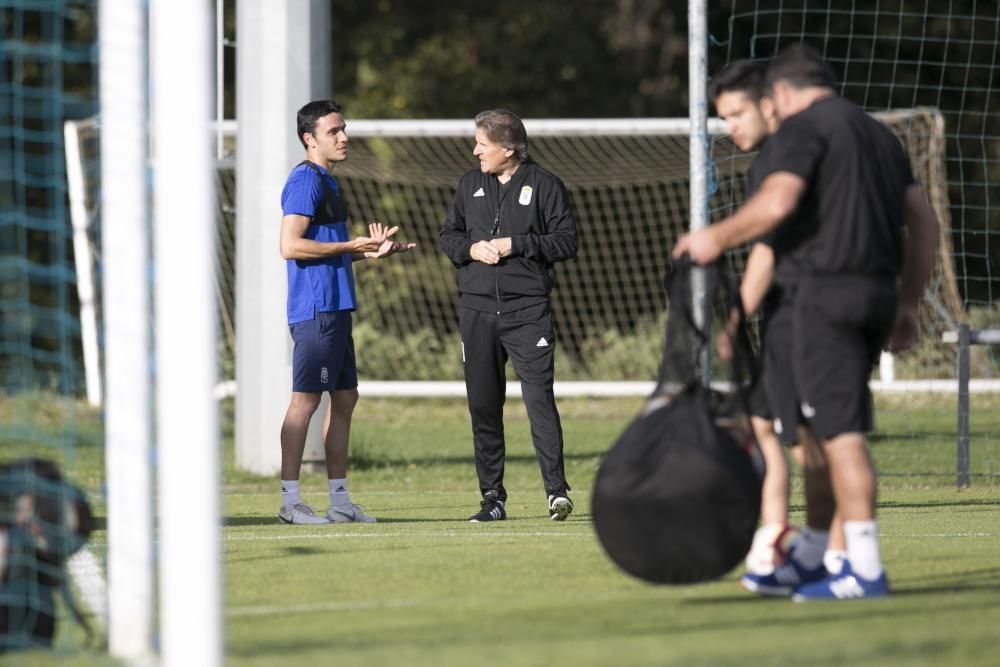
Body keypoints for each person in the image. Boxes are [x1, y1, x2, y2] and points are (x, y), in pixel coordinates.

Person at [674, 44, 939, 600]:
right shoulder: (880, 137)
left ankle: (863, 569)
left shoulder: (799, 131)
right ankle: (815, 557)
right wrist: (909, 303)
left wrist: (712, 238)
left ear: (783, 94)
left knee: (839, 434)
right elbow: (923, 221)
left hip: (821, 300)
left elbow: (775, 207)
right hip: (870, 296)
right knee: (817, 433)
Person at [710, 60, 849, 589]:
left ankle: (835, 555)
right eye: (723, 118)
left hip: (810, 313)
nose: (731, 126)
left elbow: (768, 245)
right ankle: (774, 537)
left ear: (769, 102)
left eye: (737, 112)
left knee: (815, 439)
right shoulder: (773, 156)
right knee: (767, 426)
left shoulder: (790, 153)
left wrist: (735, 305)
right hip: (784, 317)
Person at [278, 99, 415, 525]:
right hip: (316, 309)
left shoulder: (329, 182)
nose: (344, 137)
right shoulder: (305, 180)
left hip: (338, 307)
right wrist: (349, 245)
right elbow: (290, 246)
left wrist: (368, 252)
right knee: (305, 402)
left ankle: (339, 502)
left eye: (343, 129)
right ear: (310, 139)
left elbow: (329, 250)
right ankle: (290, 502)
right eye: (333, 131)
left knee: (346, 398)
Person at [438, 109, 579, 522]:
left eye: (482, 144)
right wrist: (469, 250)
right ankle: (492, 499)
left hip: (527, 311)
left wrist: (516, 244)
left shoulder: (545, 185)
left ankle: (557, 492)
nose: (475, 151)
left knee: (539, 400)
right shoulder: (469, 184)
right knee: (483, 406)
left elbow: (566, 241)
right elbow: (448, 235)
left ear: (507, 148)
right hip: (476, 311)